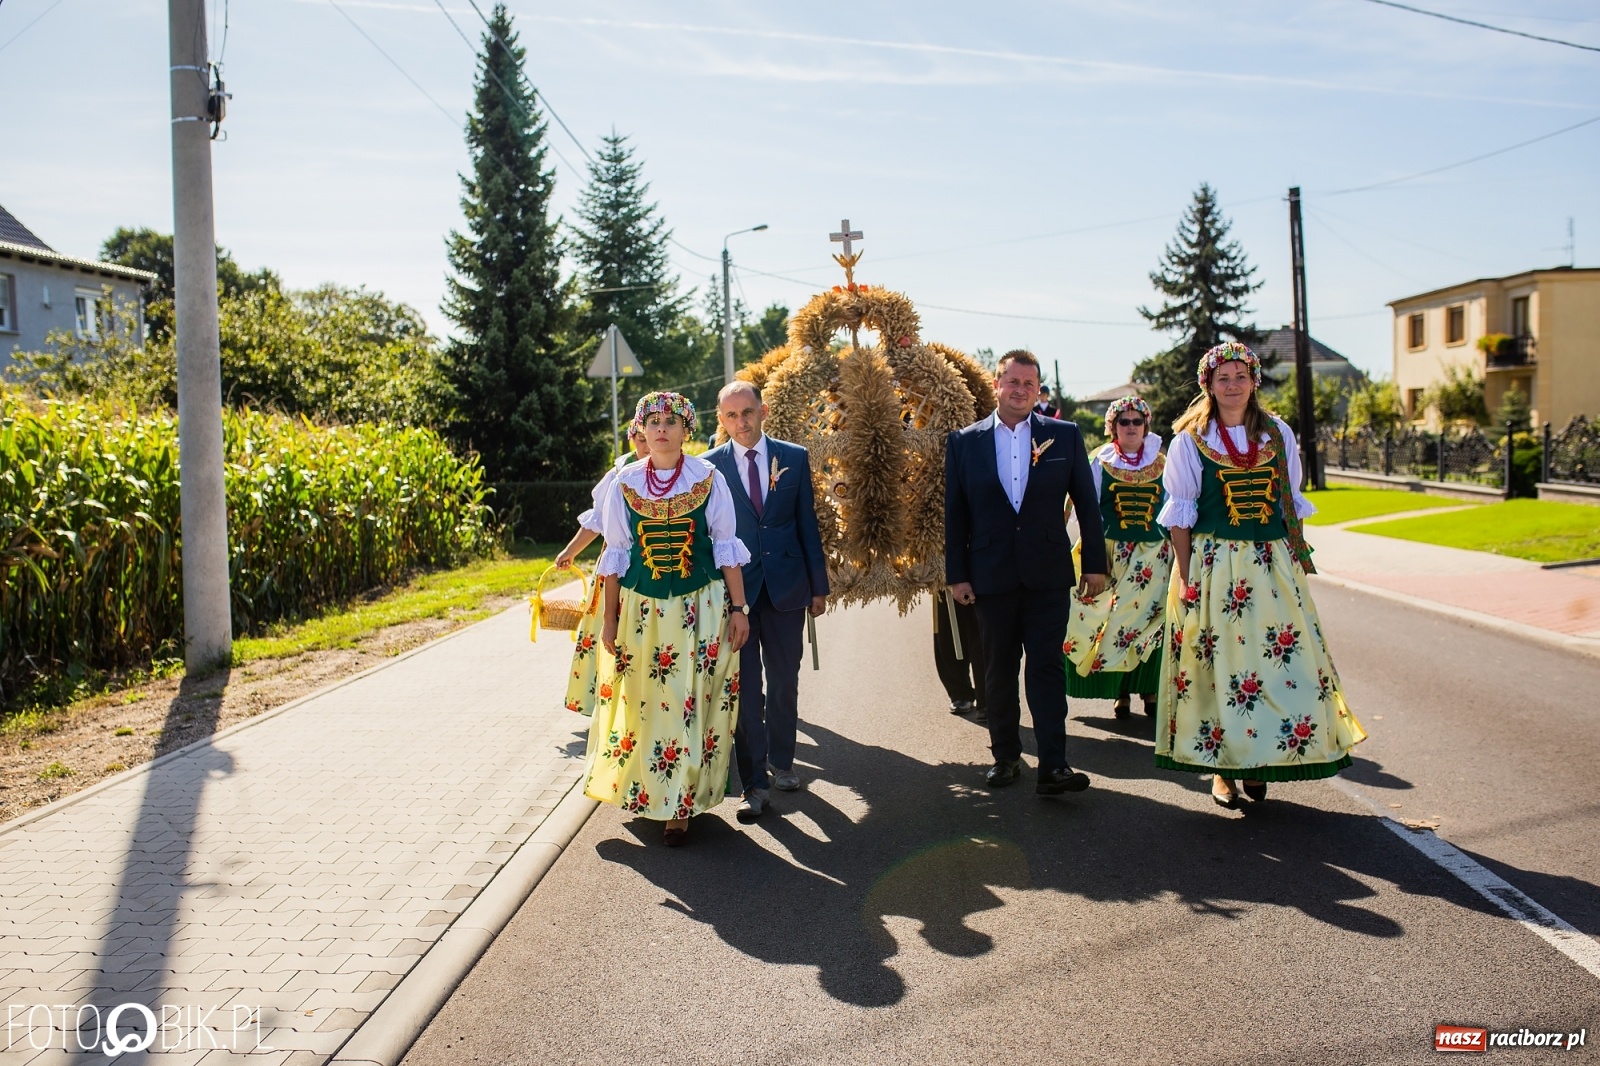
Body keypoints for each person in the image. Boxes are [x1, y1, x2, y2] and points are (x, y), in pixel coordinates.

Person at [1155, 342, 1367, 809]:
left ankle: (1264, 758)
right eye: (1222, 378)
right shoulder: (1189, 439)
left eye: (1240, 376)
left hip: (1271, 564)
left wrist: (1295, 562)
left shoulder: (1279, 434)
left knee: (1280, 668)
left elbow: (1292, 503)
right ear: (1207, 385)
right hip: (1214, 567)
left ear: (1254, 381)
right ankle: (1224, 771)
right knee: (1219, 670)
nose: (1232, 385)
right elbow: (1179, 519)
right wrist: (1186, 578)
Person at [580, 392, 752, 846]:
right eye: (652, 421)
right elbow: (615, 556)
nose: (661, 428)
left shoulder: (709, 478)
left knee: (689, 703)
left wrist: (740, 609)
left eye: (671, 421)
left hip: (701, 607)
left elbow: (725, 549)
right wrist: (610, 621)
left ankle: (681, 805)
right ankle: (647, 792)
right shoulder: (624, 482)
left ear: (686, 430)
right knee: (644, 702)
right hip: (642, 610)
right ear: (641, 429)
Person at [944, 349, 1108, 795]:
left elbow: (1088, 507)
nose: (1020, 391)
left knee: (1046, 670)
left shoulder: (1066, 435)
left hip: (1047, 573)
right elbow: (955, 514)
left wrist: (1095, 563)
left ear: (1039, 390)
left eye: (1029, 384)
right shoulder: (964, 442)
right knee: (997, 671)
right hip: (989, 575)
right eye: (1012, 382)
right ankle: (1005, 757)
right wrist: (956, 574)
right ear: (997, 384)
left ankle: (1054, 765)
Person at [705, 381, 829, 823]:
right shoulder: (708, 468)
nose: (741, 422)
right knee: (744, 689)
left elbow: (806, 523)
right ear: (721, 419)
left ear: (764, 410)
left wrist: (819, 585)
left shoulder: (793, 457)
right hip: (734, 595)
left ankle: (783, 762)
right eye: (732, 415)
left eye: (748, 412)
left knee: (783, 680)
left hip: (786, 587)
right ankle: (754, 780)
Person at [1063, 396, 1171, 718]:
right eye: (1124, 421)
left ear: (1146, 425)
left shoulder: (1163, 462)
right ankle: (1120, 692)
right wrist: (1094, 555)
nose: (1131, 427)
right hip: (1112, 553)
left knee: (1152, 625)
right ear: (1113, 427)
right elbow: (1085, 509)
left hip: (1154, 556)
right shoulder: (1100, 460)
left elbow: (1175, 507)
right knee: (1112, 625)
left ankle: (1149, 690)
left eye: (1137, 421)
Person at [560, 428, 651, 717]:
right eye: (641, 439)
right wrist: (571, 551)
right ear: (632, 439)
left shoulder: (678, 470)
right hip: (616, 568)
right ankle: (608, 702)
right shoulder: (619, 472)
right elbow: (597, 519)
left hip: (655, 567)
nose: (648, 445)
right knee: (610, 632)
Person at [932, 594, 986, 722]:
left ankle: (987, 698)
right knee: (948, 628)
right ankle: (960, 692)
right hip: (945, 580)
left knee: (984, 629)